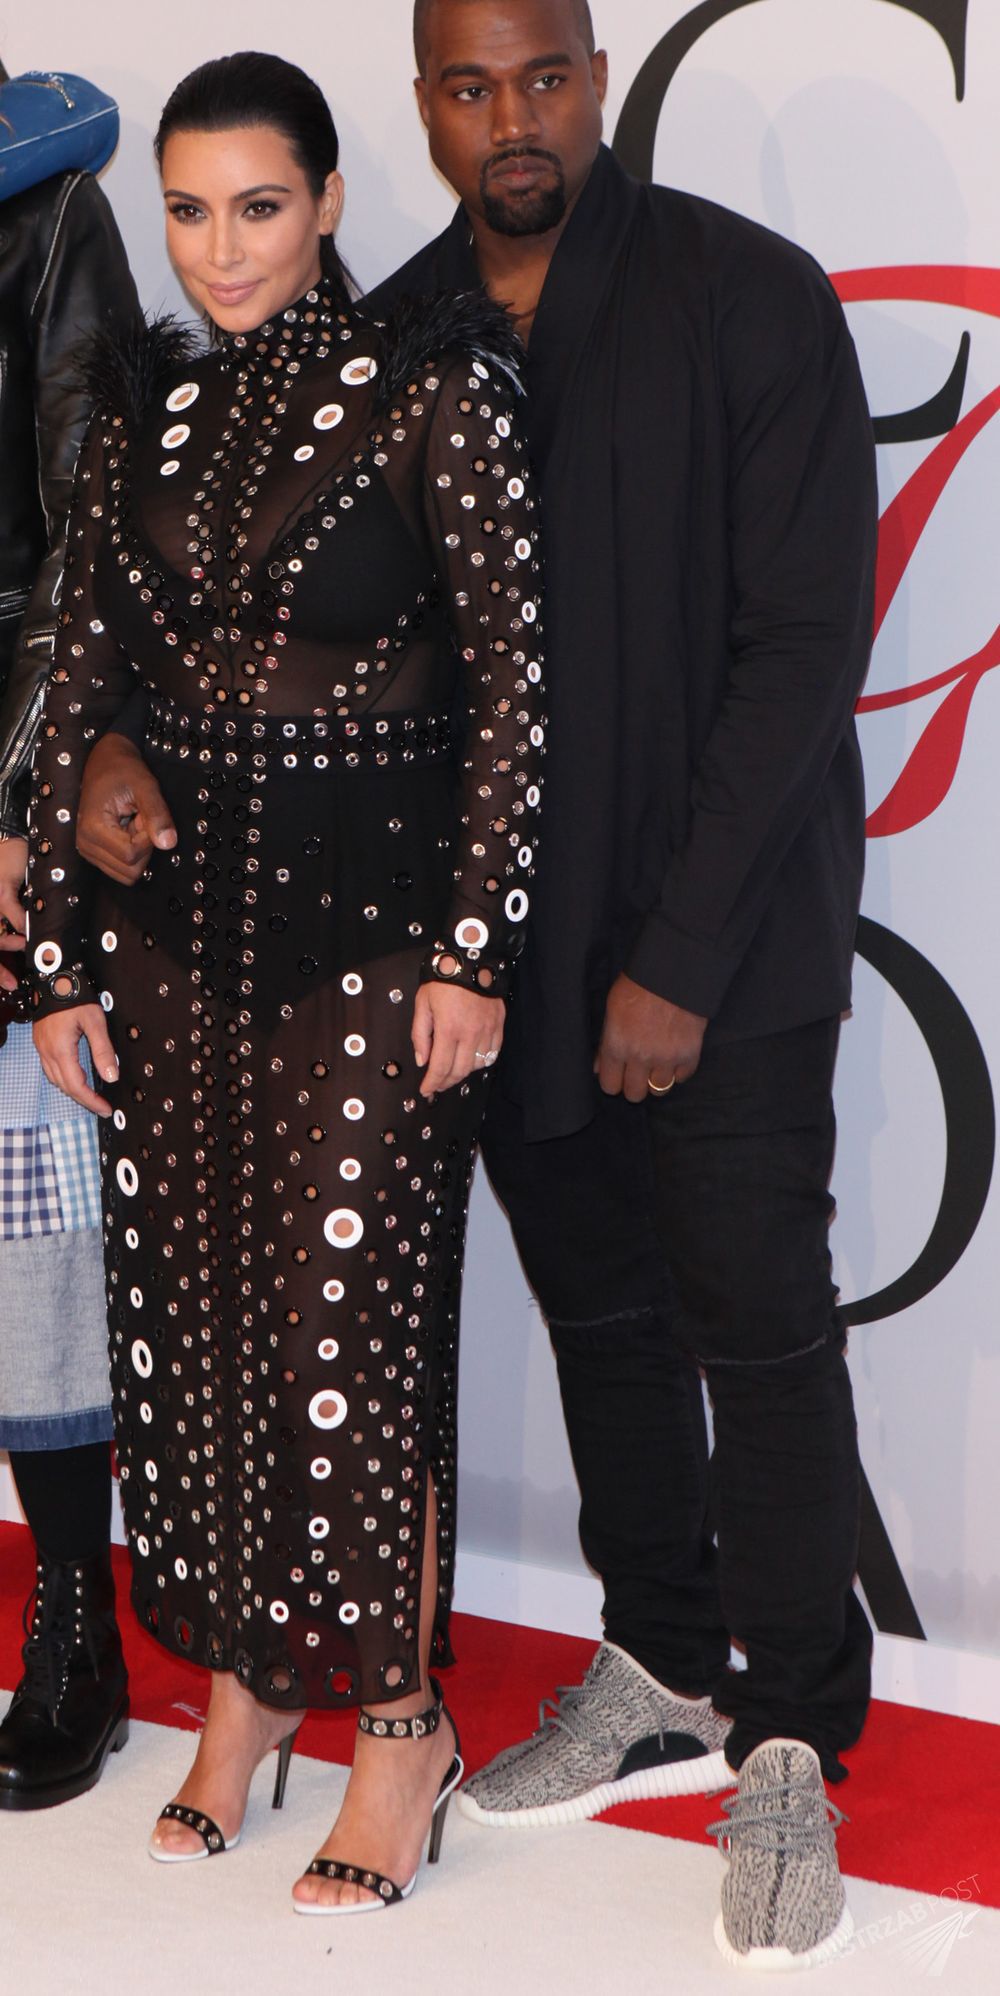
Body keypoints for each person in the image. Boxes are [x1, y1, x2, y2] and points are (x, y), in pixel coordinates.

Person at [75, 2, 876, 1966]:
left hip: (721, 944)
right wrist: (119, 758)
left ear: (595, 78)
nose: (506, 115)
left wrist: (673, 958)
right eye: (463, 81)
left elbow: (799, 644)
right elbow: (306, 651)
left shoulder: (741, 294)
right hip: (493, 959)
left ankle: (788, 1731)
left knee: (755, 1324)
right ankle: (663, 1655)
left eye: (541, 74)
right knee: (602, 1313)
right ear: (418, 105)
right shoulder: (397, 335)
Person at [26, 49, 544, 1911]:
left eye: (258, 205)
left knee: (353, 1349)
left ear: (327, 202)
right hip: (172, 955)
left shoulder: (434, 393)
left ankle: (399, 1727)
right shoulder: (145, 421)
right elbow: (81, 694)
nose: (221, 247)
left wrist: (477, 953)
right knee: (202, 1337)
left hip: (374, 954)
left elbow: (510, 704)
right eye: (185, 207)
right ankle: (246, 1697)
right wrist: (61, 966)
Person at [0, 59, 140, 1810]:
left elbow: (82, 544)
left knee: (28, 1262)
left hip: (4, 783)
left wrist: (18, 804)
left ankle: (74, 1635)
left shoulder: (43, 197)